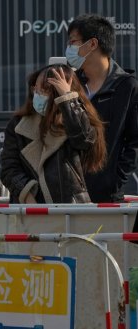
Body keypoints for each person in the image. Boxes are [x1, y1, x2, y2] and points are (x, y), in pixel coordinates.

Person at [1, 64, 106, 204]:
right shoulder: (18, 125)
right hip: (27, 211)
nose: (37, 93)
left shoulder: (77, 121)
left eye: (46, 90)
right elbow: (9, 168)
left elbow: (84, 140)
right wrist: (27, 195)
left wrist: (68, 99)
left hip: (70, 211)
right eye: (36, 88)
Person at [67, 14, 138, 202]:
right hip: (67, 195)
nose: (69, 49)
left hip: (108, 197)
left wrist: (115, 180)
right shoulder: (69, 84)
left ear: (92, 44)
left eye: (73, 42)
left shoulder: (127, 86)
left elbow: (134, 142)